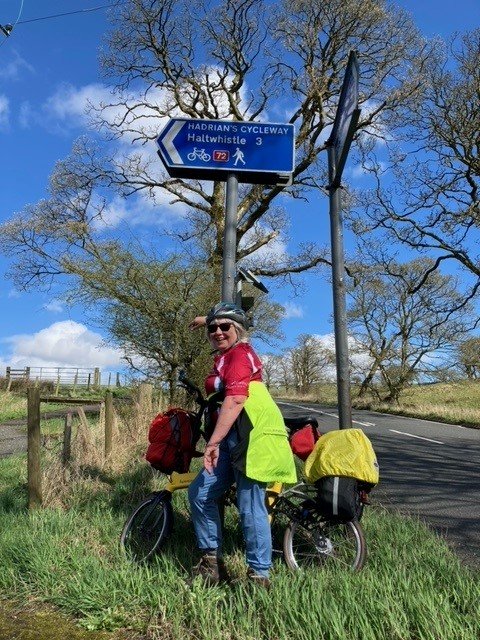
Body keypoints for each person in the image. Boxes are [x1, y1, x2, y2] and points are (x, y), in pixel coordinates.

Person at [188, 302, 297, 588]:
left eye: (225, 327)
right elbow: (221, 325)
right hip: (231, 437)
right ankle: (212, 565)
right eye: (213, 328)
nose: (218, 332)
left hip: (251, 436)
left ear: (238, 330)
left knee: (251, 507)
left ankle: (259, 576)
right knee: (200, 494)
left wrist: (212, 442)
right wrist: (206, 319)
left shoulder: (239, 355)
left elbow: (236, 399)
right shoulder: (226, 351)